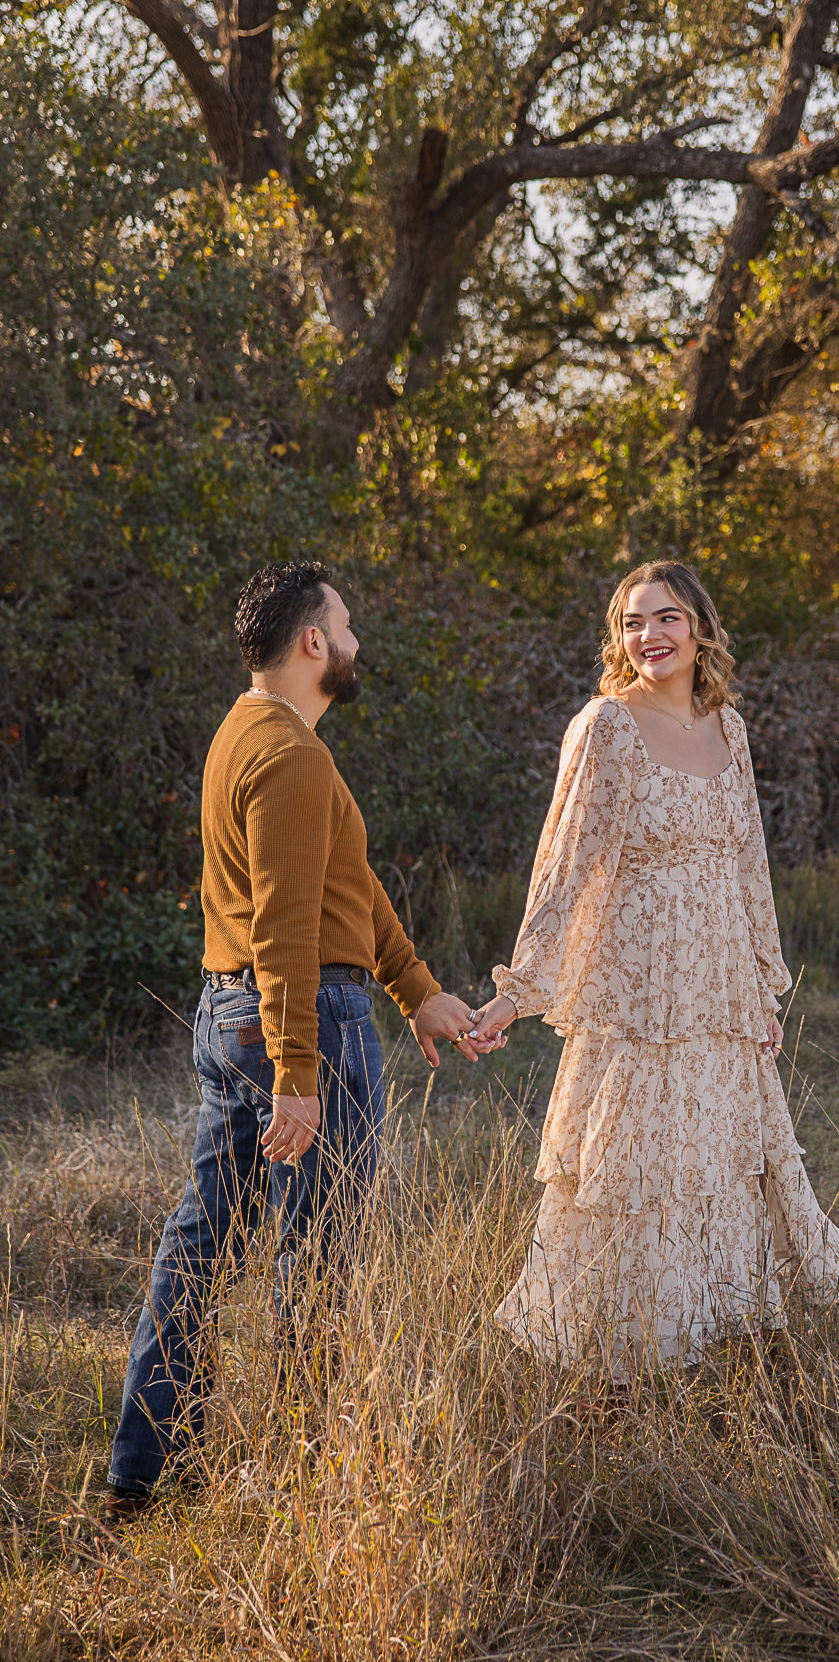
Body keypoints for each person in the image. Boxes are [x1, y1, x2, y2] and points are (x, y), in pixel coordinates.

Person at [105, 561, 485, 1518]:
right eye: (346, 627)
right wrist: (297, 1074)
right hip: (299, 1020)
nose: (355, 643)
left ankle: (144, 1473)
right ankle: (305, 1479)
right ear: (313, 641)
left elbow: (344, 886)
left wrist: (417, 990)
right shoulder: (291, 755)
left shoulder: (248, 733)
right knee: (317, 1258)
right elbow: (285, 929)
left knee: (202, 1246)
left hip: (238, 1013)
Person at [469, 560, 839, 1370]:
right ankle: (614, 1365)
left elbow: (748, 864)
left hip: (718, 989)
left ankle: (714, 1335)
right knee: (634, 1170)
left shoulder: (730, 728)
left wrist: (761, 990)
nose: (648, 635)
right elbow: (565, 866)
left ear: (700, 630)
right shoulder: (606, 727)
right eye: (632, 622)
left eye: (666, 618)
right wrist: (517, 992)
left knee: (716, 1162)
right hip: (639, 992)